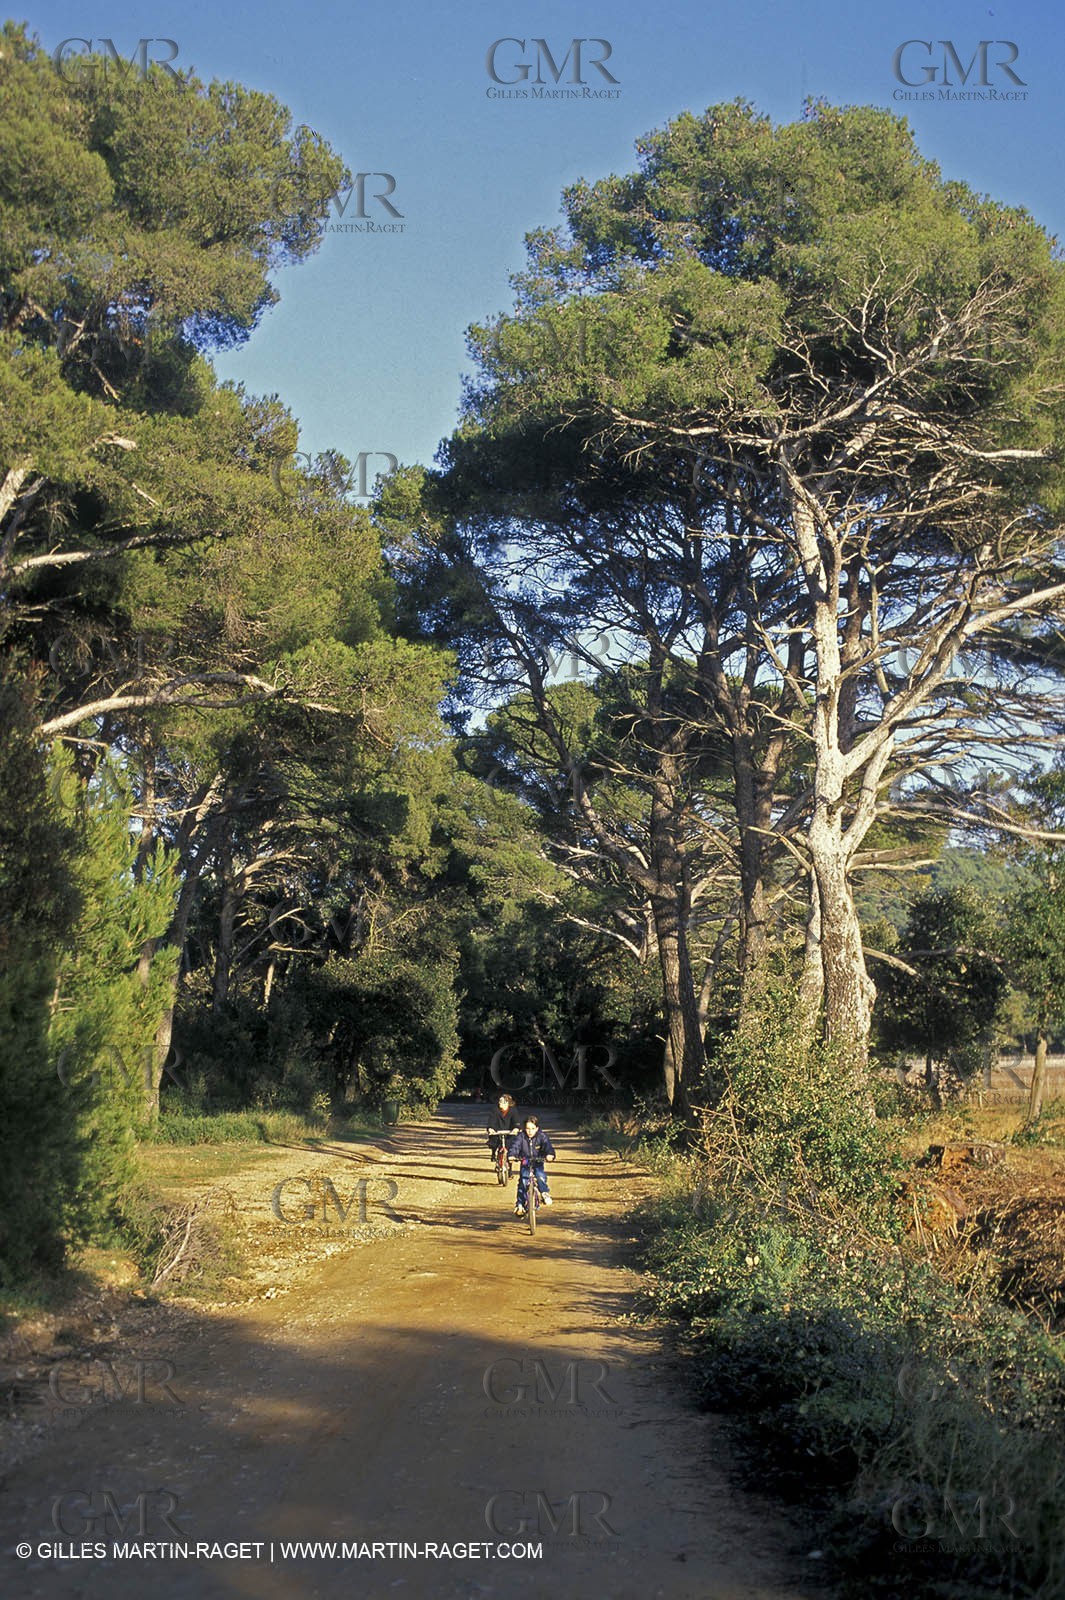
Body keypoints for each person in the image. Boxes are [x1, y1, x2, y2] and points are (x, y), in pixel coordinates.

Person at [510, 1115, 556, 1216]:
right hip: (525, 1161)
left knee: (540, 1175)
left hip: (538, 1160)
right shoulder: (521, 1137)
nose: (530, 1131)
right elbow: (515, 1146)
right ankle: (520, 1204)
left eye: (532, 1129)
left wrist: (550, 1155)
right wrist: (512, 1155)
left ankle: (544, 1193)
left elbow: (547, 1146)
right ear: (524, 1128)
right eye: (527, 1128)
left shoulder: (541, 1136)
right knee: (523, 1180)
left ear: (537, 1128)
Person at [485, 1092, 521, 1166]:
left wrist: (516, 1128)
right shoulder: (495, 1110)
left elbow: (516, 1122)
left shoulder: (513, 1111)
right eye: (499, 1101)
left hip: (509, 1131)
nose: (500, 1103)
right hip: (497, 1130)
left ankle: (509, 1169)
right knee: (494, 1141)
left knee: (511, 1147)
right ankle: (494, 1153)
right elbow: (491, 1121)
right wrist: (491, 1128)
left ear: (508, 1103)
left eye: (502, 1102)